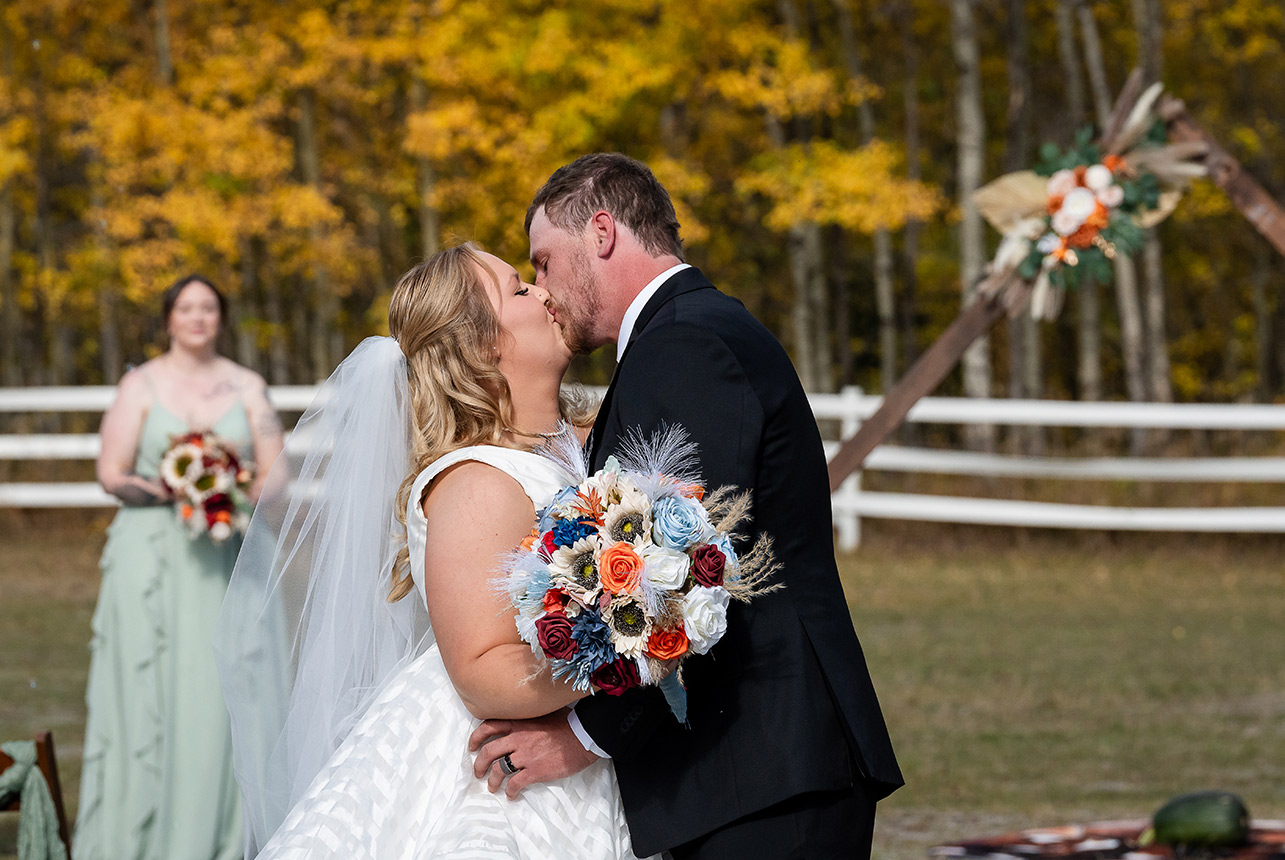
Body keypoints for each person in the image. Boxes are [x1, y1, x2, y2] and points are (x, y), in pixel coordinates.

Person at [469, 153, 904, 860]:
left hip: (764, 763)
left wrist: (587, 737)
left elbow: (687, 571)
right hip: (757, 766)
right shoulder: (690, 331)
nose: (543, 289)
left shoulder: (684, 345)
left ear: (601, 232)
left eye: (543, 262)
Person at [215, 243, 655, 859]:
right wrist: (642, 650)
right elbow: (485, 674)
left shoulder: (582, 448)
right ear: (482, 346)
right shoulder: (478, 482)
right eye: (518, 289)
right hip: (497, 784)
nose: (544, 292)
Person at [77, 275, 284, 860]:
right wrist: (174, 490)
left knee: (220, 692)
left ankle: (224, 838)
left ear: (221, 318)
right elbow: (112, 474)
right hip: (152, 565)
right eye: (186, 308)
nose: (198, 317)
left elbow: (277, 476)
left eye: (209, 308)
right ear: (169, 318)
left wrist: (231, 484)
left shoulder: (249, 387)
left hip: (229, 555)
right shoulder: (140, 385)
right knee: (156, 691)